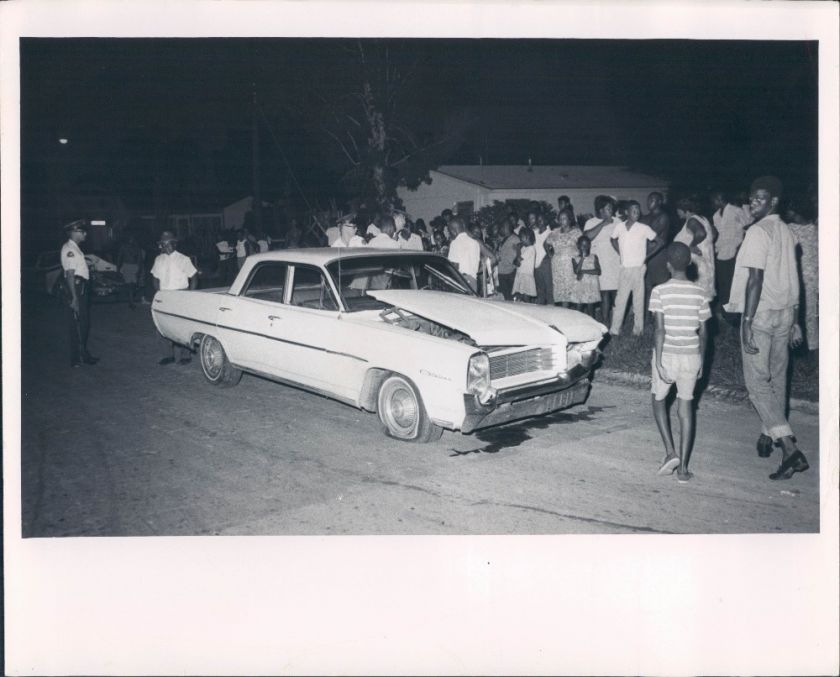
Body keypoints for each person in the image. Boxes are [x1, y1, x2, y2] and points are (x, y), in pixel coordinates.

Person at [724, 176, 808, 481]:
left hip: (761, 316)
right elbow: (794, 277)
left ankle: (789, 449)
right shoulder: (787, 231)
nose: (752, 203)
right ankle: (768, 433)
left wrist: (745, 322)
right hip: (785, 313)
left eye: (760, 199)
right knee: (777, 380)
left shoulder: (759, 232)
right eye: (751, 198)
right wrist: (796, 318)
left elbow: (755, 280)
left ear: (773, 201)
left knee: (757, 384)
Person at [649, 242, 710, 483]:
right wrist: (702, 361)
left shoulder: (660, 291)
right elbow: (704, 333)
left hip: (669, 355)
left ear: (667, 265)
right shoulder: (699, 292)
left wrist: (660, 363)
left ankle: (670, 452)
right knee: (686, 408)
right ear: (689, 264)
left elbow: (659, 330)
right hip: (692, 356)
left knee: (658, 400)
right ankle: (683, 469)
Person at [609, 200, 661, 335]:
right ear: (627, 212)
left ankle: (638, 330)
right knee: (620, 299)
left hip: (638, 268)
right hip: (625, 268)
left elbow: (659, 242)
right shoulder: (619, 227)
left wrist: (647, 256)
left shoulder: (644, 228)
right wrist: (619, 252)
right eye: (634, 210)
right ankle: (615, 329)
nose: (637, 213)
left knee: (638, 299)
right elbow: (612, 239)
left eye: (638, 210)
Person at [151, 231, 198, 366]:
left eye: (167, 243)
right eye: (163, 244)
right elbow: (155, 278)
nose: (165, 246)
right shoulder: (159, 259)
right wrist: (159, 292)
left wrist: (189, 295)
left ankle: (185, 354)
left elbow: (194, 276)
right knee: (162, 325)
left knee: (182, 326)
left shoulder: (183, 259)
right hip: (165, 295)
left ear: (174, 243)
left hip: (180, 294)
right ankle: (167, 355)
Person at [60, 220, 99, 367]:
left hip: (80, 287)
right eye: (82, 232)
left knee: (83, 324)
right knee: (78, 325)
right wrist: (74, 298)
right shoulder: (70, 249)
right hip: (76, 289)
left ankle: (82, 355)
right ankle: (77, 358)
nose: (85, 234)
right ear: (75, 232)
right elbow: (70, 274)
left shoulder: (75, 248)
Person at [785, 200, 819, 352]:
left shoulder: (790, 229)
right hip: (811, 276)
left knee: (797, 311)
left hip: (797, 276)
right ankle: (811, 344)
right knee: (810, 312)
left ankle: (798, 343)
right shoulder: (814, 228)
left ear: (794, 212)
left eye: (788, 211)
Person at [584, 195, 621, 324]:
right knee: (604, 293)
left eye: (611, 208)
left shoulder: (617, 222)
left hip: (615, 261)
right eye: (608, 208)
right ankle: (605, 321)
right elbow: (587, 237)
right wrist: (603, 223)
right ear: (601, 210)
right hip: (600, 263)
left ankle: (617, 322)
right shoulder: (591, 222)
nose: (612, 210)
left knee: (616, 293)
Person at [711, 190, 750, 310]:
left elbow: (748, 226)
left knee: (735, 285)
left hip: (735, 253)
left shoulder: (736, 211)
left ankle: (735, 313)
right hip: (721, 253)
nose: (713, 203)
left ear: (719, 198)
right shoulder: (716, 215)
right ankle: (726, 311)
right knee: (723, 284)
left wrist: (741, 245)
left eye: (714, 200)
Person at [674, 195, 717, 303]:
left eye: (678, 210)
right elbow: (715, 233)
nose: (677, 212)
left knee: (695, 296)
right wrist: (707, 245)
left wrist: (692, 245)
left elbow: (701, 233)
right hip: (706, 262)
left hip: (697, 264)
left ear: (685, 210)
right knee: (702, 297)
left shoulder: (692, 221)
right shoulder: (703, 218)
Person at [641, 192, 672, 307]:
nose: (649, 203)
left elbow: (651, 235)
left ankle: (664, 313)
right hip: (646, 256)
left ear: (659, 202)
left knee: (661, 286)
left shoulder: (663, 216)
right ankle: (648, 315)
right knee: (647, 286)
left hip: (658, 255)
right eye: (648, 200)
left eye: (652, 200)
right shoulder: (645, 217)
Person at [545, 208, 581, 307]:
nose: (562, 221)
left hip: (571, 267)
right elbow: (546, 243)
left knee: (573, 292)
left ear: (570, 219)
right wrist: (550, 254)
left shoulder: (576, 232)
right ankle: (564, 315)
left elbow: (582, 246)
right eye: (560, 219)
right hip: (558, 267)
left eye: (564, 218)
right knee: (561, 294)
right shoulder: (555, 232)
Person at [447, 216, 481, 292]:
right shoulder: (475, 242)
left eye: (449, 232)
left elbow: (454, 266)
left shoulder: (455, 243)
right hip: (473, 281)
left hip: (462, 281)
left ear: (453, 231)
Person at [571, 235, 601, 317]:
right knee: (578, 310)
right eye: (582, 245)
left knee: (590, 309)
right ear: (578, 246)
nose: (584, 247)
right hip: (580, 286)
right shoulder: (575, 258)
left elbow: (598, 271)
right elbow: (576, 271)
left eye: (586, 245)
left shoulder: (594, 257)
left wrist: (583, 271)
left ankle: (592, 326)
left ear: (590, 245)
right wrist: (582, 258)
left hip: (591, 286)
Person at [116, 234, 145, 308]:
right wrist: (118, 268)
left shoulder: (137, 248)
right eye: (129, 238)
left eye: (132, 239)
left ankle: (131, 298)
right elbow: (119, 258)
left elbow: (139, 259)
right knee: (129, 285)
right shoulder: (123, 247)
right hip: (127, 266)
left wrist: (139, 269)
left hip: (134, 266)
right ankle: (131, 302)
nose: (131, 240)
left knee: (134, 285)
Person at [495, 219, 520, 300]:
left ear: (506, 227)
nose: (500, 229)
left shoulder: (514, 240)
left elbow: (511, 259)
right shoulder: (505, 239)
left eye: (502, 227)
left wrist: (498, 258)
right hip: (502, 273)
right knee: (504, 298)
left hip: (508, 275)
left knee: (509, 299)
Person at [512, 227, 537, 302]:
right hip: (520, 274)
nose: (520, 239)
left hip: (526, 276)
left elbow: (518, 259)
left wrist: (517, 249)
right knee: (519, 297)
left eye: (521, 237)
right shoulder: (523, 248)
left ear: (527, 237)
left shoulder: (531, 249)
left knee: (526, 298)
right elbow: (517, 263)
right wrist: (518, 251)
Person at [533, 213, 553, 305]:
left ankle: (551, 310)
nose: (539, 222)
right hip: (536, 265)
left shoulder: (550, 233)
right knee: (540, 291)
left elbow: (551, 249)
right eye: (537, 220)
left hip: (545, 264)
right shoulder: (535, 233)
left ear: (546, 221)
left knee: (549, 290)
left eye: (541, 220)